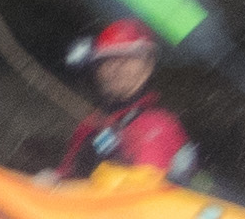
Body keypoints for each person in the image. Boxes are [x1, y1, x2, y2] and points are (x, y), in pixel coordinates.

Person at [58, 19, 193, 179]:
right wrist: (52, 180)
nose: (116, 68)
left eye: (127, 59)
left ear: (148, 66)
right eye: (108, 60)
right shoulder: (89, 125)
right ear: (98, 70)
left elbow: (142, 187)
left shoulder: (160, 125)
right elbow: (66, 176)